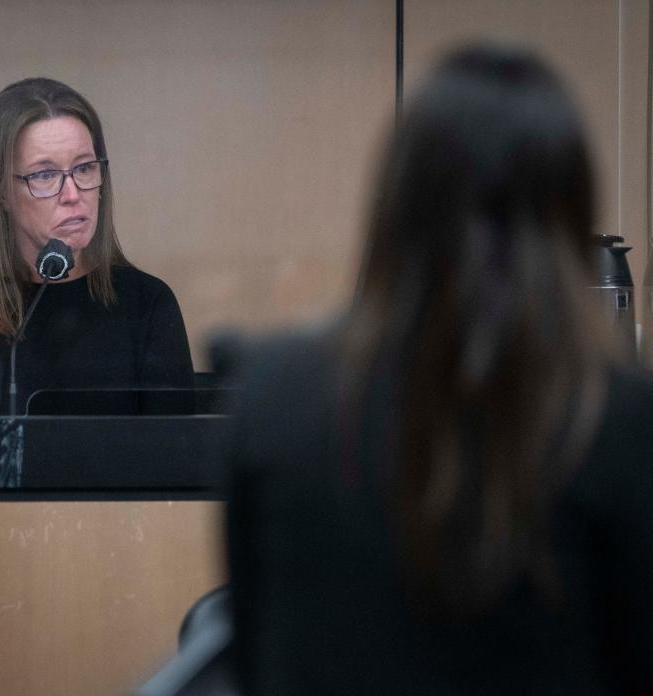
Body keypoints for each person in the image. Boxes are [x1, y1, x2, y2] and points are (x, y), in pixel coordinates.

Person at [225, 44, 653, 694]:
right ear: (568, 211)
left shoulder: (270, 400)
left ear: (396, 200)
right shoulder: (618, 421)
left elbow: (255, 663)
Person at [0, 78, 193, 415]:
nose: (73, 194)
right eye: (44, 175)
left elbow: (174, 458)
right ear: (1, 192)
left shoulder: (147, 305)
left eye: (84, 168)